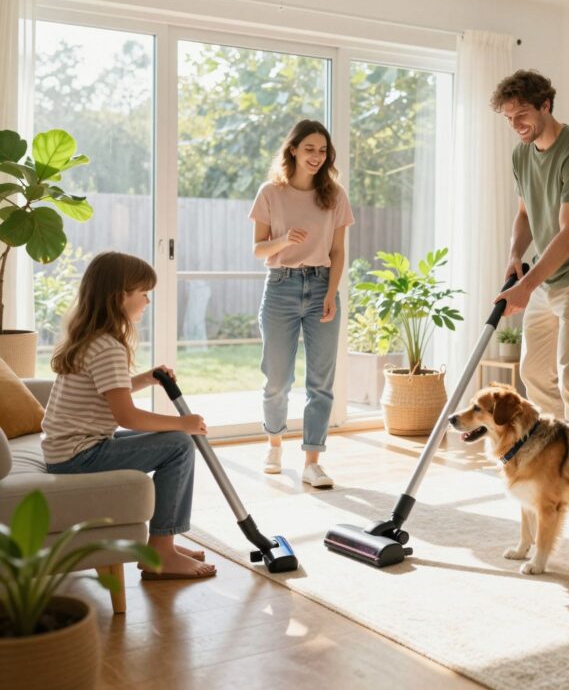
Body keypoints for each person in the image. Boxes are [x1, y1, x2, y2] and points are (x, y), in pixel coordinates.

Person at [43, 252, 216, 580]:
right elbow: (127, 416)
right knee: (179, 444)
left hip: (67, 450)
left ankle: (164, 543)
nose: (147, 301)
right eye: (144, 293)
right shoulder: (108, 347)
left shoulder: (90, 339)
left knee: (176, 442)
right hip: (79, 455)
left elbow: (109, 391)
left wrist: (147, 378)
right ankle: (160, 553)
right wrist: (183, 423)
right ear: (120, 296)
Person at [491, 69, 569, 421]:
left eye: (522, 115)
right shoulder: (523, 155)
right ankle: (559, 451)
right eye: (509, 118)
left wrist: (525, 287)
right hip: (546, 278)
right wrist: (515, 253)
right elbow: (525, 215)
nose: (516, 124)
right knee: (533, 372)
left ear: (545, 105)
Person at [250, 119, 354, 487]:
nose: (316, 156)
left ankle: (312, 461)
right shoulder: (270, 192)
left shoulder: (335, 195)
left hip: (322, 287)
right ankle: (274, 444)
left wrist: (330, 294)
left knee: (320, 382)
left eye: (322, 150)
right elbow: (258, 249)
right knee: (277, 378)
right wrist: (284, 241)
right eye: (309, 149)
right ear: (293, 149)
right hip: (281, 287)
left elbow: (339, 251)